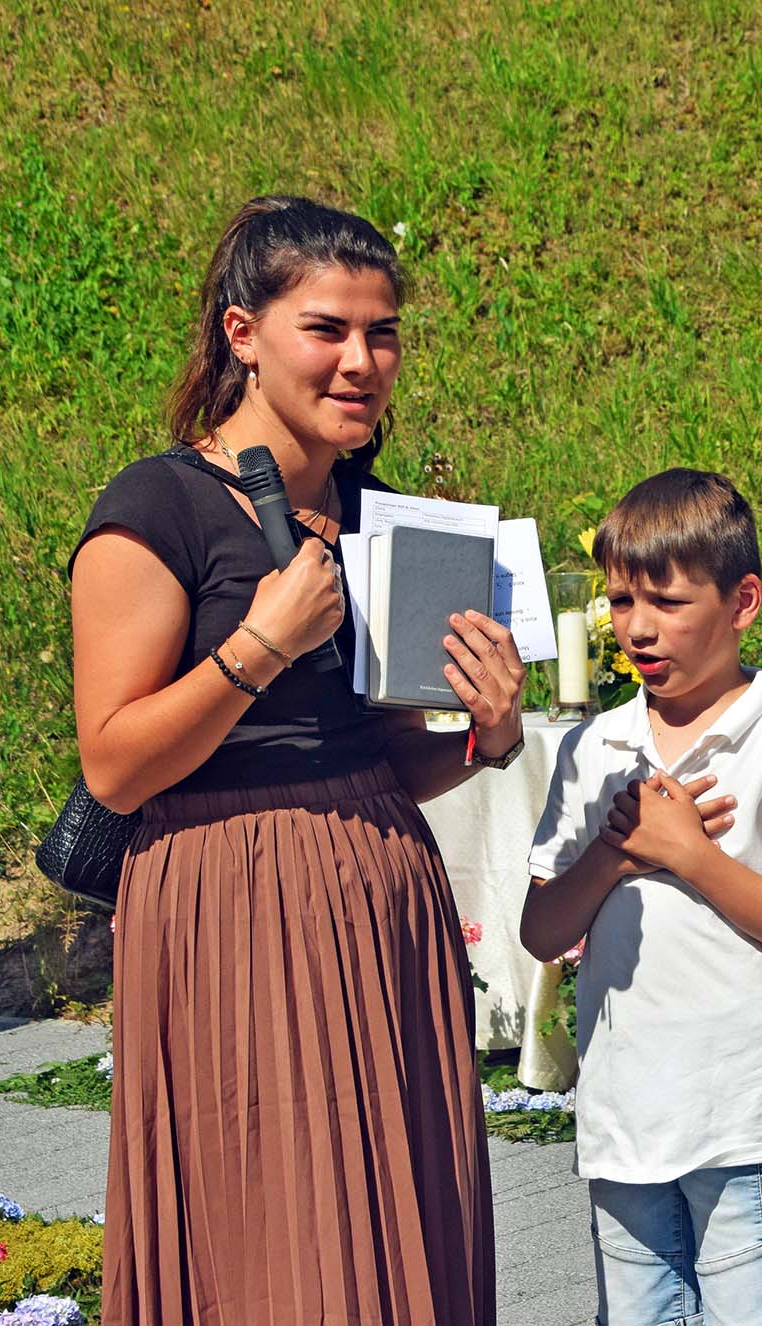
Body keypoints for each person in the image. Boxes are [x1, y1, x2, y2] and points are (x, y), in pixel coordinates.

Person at [74, 195, 524, 1323]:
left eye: (383, 334)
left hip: (379, 893)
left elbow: (381, 751)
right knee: (266, 1235)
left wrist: (485, 734)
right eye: (326, 330)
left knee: (397, 1226)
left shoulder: (387, 514)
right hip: (225, 897)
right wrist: (261, 645)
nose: (362, 362)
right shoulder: (156, 507)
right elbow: (116, 764)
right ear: (243, 336)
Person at [521, 469, 762, 1326]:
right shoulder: (596, 746)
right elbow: (540, 927)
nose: (637, 627)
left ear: (742, 601)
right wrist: (617, 854)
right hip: (622, 1123)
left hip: (741, 1122)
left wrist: (692, 856)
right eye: (622, 600)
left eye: (666, 601)